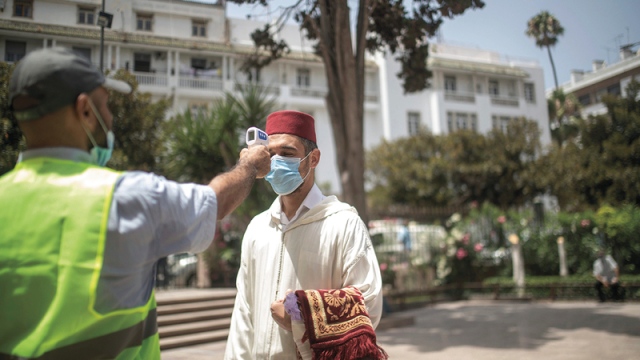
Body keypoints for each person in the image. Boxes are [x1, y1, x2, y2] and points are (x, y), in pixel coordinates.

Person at [0, 47, 270, 359]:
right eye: (107, 105)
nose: (111, 117)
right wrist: (249, 165)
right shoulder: (128, 198)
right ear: (85, 110)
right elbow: (214, 203)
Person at [224, 110, 384, 359]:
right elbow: (244, 312)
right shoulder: (258, 227)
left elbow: (369, 303)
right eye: (271, 154)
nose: (276, 162)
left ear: (314, 159)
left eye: (287, 154)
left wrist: (301, 316)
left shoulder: (342, 223)